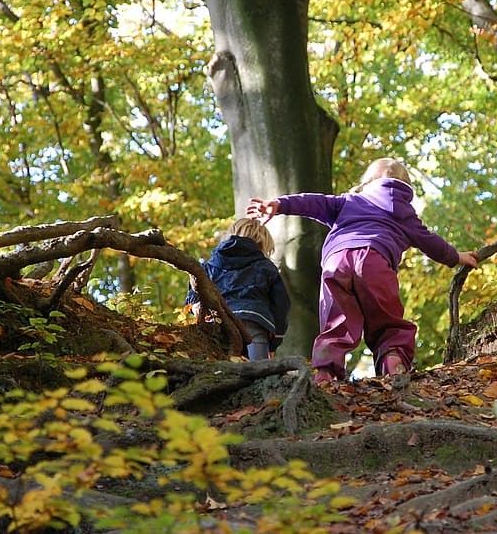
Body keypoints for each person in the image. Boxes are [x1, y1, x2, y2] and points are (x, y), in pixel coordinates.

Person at [246, 157, 478, 382]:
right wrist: (456, 256)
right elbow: (430, 241)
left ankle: (326, 373)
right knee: (388, 322)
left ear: (365, 183)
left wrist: (279, 204)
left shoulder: (348, 201)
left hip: (336, 262)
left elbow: (313, 202)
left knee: (335, 324)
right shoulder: (404, 213)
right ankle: (393, 363)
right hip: (375, 261)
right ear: (406, 187)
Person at [185, 218, 290, 360]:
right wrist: (274, 344)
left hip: (219, 321)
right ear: (261, 244)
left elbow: (193, 295)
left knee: (220, 370)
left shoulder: (210, 266)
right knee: (260, 372)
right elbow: (281, 305)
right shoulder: (266, 267)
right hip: (254, 321)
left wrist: (195, 308)